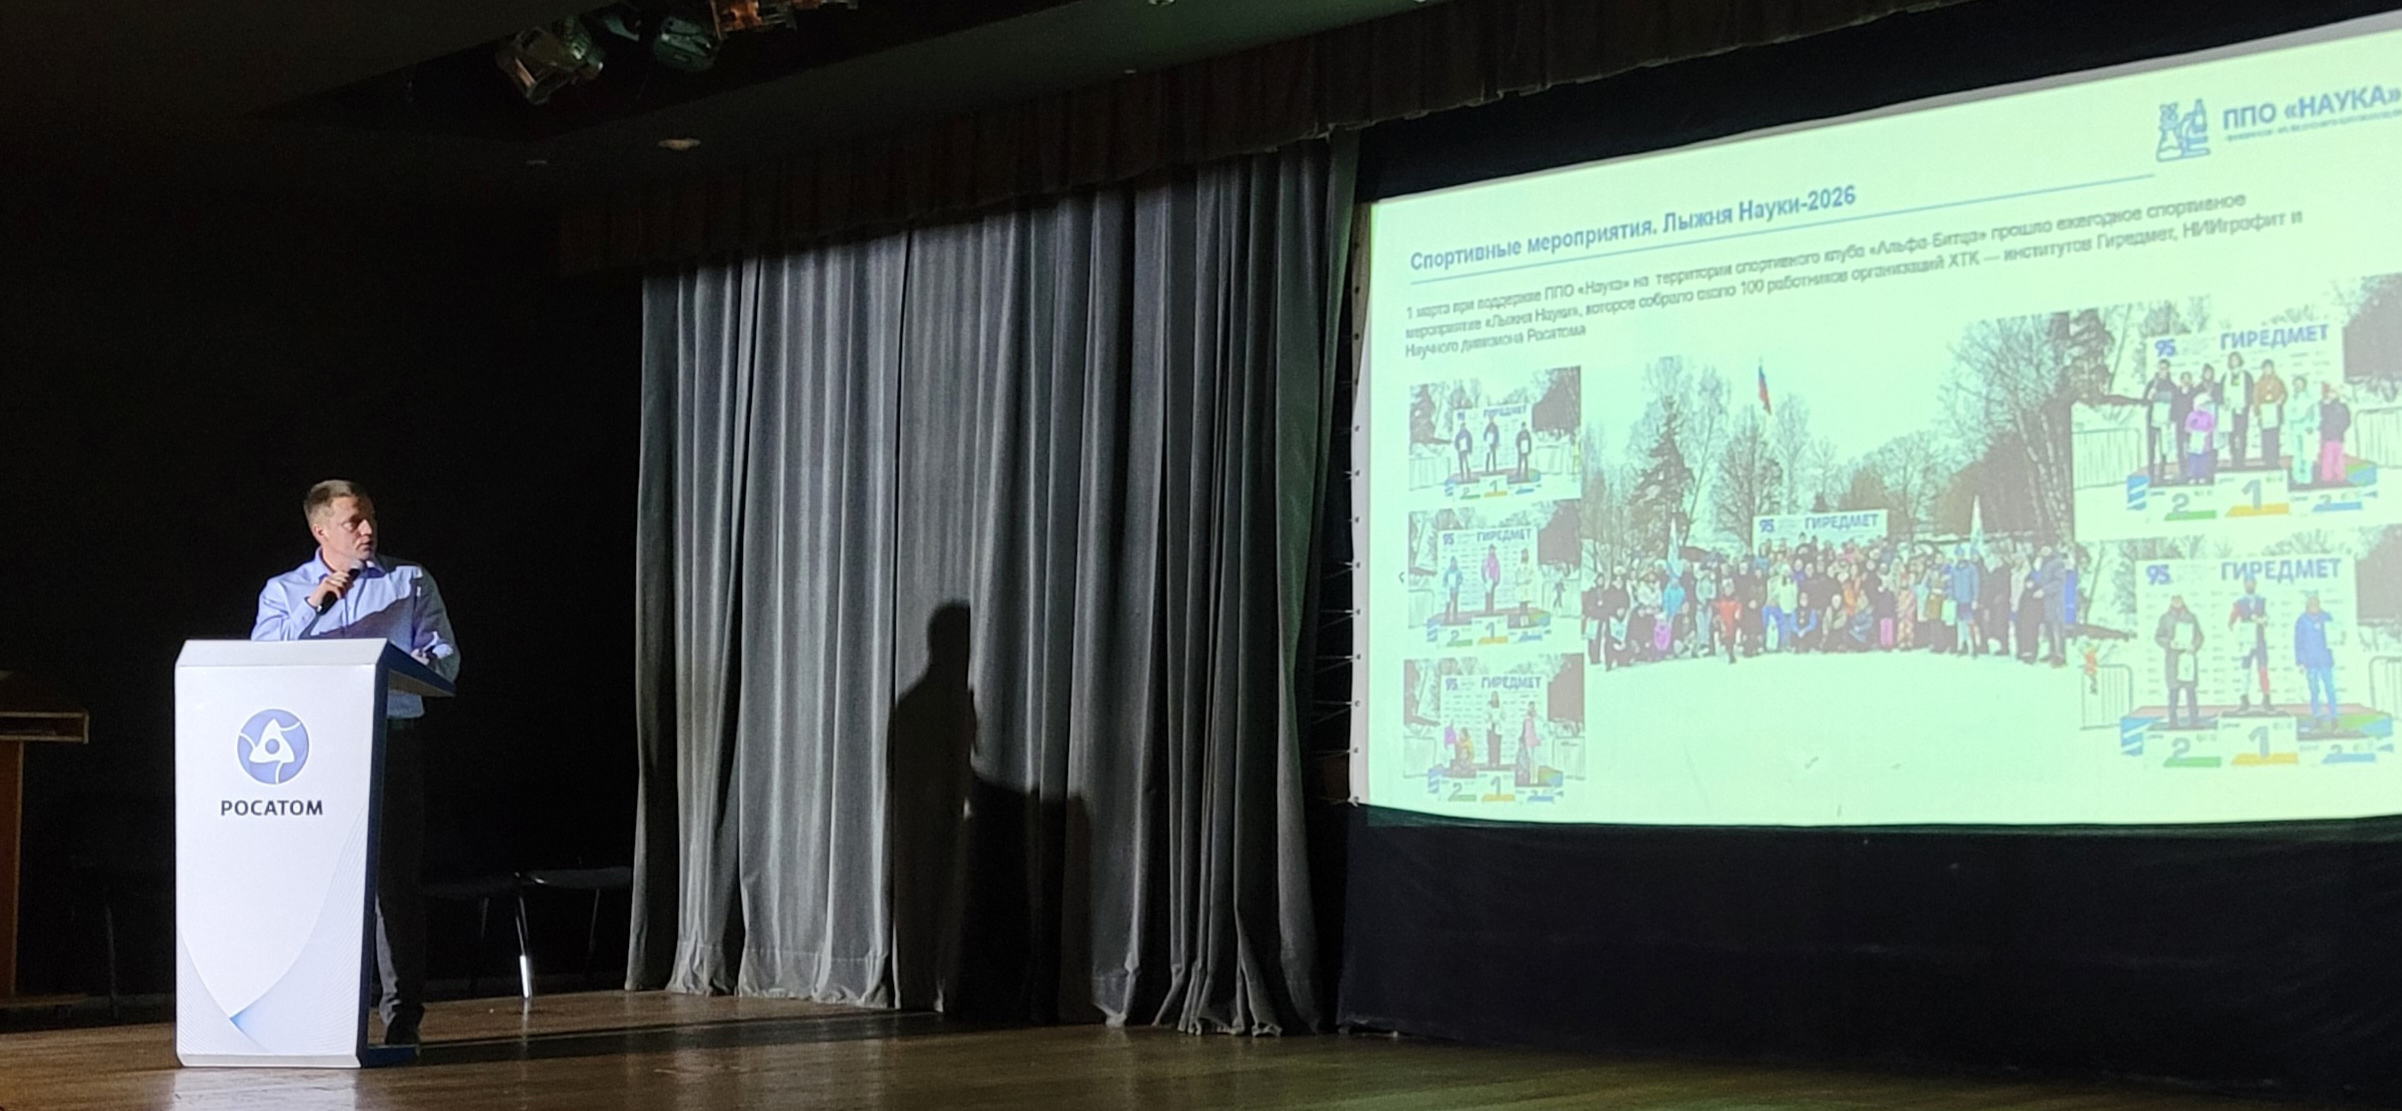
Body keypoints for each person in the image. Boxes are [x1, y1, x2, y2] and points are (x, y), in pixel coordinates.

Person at [252, 480, 459, 1047]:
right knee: (320, 883)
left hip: (392, 740)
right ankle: (318, 1012)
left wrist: (411, 660)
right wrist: (316, 605)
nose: (367, 530)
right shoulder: (286, 591)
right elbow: (260, 662)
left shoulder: (409, 580)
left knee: (393, 883)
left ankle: (401, 1018)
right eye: (352, 522)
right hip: (316, 751)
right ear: (320, 531)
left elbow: (444, 659)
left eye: (370, 519)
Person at [2155, 595, 2202, 728]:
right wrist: (2169, 643)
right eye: (2174, 600)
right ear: (2171, 602)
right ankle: (2173, 721)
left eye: (2179, 600)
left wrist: (2194, 646)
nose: (2177, 603)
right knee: (2173, 693)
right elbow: (2158, 637)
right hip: (2173, 660)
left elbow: (2199, 636)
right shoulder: (2165, 618)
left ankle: (2194, 721)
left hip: (2187, 658)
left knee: (2191, 692)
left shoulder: (2191, 617)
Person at [2228, 576, 2273, 712]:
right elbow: (2231, 622)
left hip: (2259, 640)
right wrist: (2240, 634)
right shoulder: (2239, 602)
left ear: (2255, 584)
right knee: (2245, 671)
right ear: (2244, 585)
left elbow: (2268, 618)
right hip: (2246, 641)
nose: (2249, 585)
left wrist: (2262, 620)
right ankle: (2244, 699)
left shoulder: (2262, 600)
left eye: (2251, 583)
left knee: (2263, 670)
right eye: (2247, 583)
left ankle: (2266, 699)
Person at [2296, 594, 2338, 731]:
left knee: (2330, 689)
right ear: (2307, 606)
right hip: (2310, 661)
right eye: (2311, 604)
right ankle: (2317, 716)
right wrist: (2300, 660)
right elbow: (2298, 642)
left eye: (2316, 604)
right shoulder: (2302, 621)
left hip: (2325, 660)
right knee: (2314, 690)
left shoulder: (2326, 617)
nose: (2314, 607)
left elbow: (2336, 634)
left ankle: (2334, 716)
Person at [2145, 359, 2178, 482]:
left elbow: (2175, 403)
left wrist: (2172, 418)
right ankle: (2151, 475)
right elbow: (2145, 400)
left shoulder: (2172, 386)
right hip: (2153, 420)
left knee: (2164, 448)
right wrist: (2151, 395)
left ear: (2168, 369)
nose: (2162, 371)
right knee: (2151, 447)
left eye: (2164, 368)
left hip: (2165, 421)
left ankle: (2161, 474)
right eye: (2160, 368)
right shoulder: (2152, 384)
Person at [2254, 359, 2288, 468]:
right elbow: (2255, 398)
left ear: (2272, 369)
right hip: (2264, 413)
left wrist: (2280, 400)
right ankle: (2267, 460)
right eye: (2265, 368)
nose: (2267, 370)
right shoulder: (2259, 383)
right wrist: (2258, 412)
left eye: (2269, 368)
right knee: (2265, 437)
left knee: (2275, 436)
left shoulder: (2278, 381)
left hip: (2275, 412)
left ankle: (2275, 459)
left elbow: (2284, 394)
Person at [2288, 375, 2319, 487]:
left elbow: (2316, 415)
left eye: (2300, 384)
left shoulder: (2310, 398)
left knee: (2307, 455)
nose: (2298, 386)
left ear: (2304, 385)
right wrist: (2299, 417)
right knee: (2297, 455)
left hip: (2307, 429)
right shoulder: (2291, 399)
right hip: (2295, 429)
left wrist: (2313, 426)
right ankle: (2296, 478)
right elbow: (2288, 415)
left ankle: (2307, 479)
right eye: (2296, 384)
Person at [2319, 383, 2352, 486]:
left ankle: (2337, 476)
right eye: (2329, 393)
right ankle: (2329, 476)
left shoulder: (2341, 406)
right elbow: (2320, 419)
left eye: (2332, 392)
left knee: (2337, 457)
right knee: (2329, 456)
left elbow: (2347, 420)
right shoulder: (2325, 406)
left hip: (2335, 435)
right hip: (2330, 436)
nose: (2330, 395)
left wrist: (2340, 430)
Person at [2225, 351, 2254, 468]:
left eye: (2236, 359)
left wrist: (2246, 403)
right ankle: (2234, 459)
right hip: (2229, 411)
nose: (2234, 362)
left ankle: (2241, 459)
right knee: (2231, 435)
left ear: (2240, 360)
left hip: (2242, 409)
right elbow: (2221, 393)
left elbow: (2251, 391)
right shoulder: (2226, 376)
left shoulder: (2246, 376)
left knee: (2242, 434)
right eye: (2232, 360)